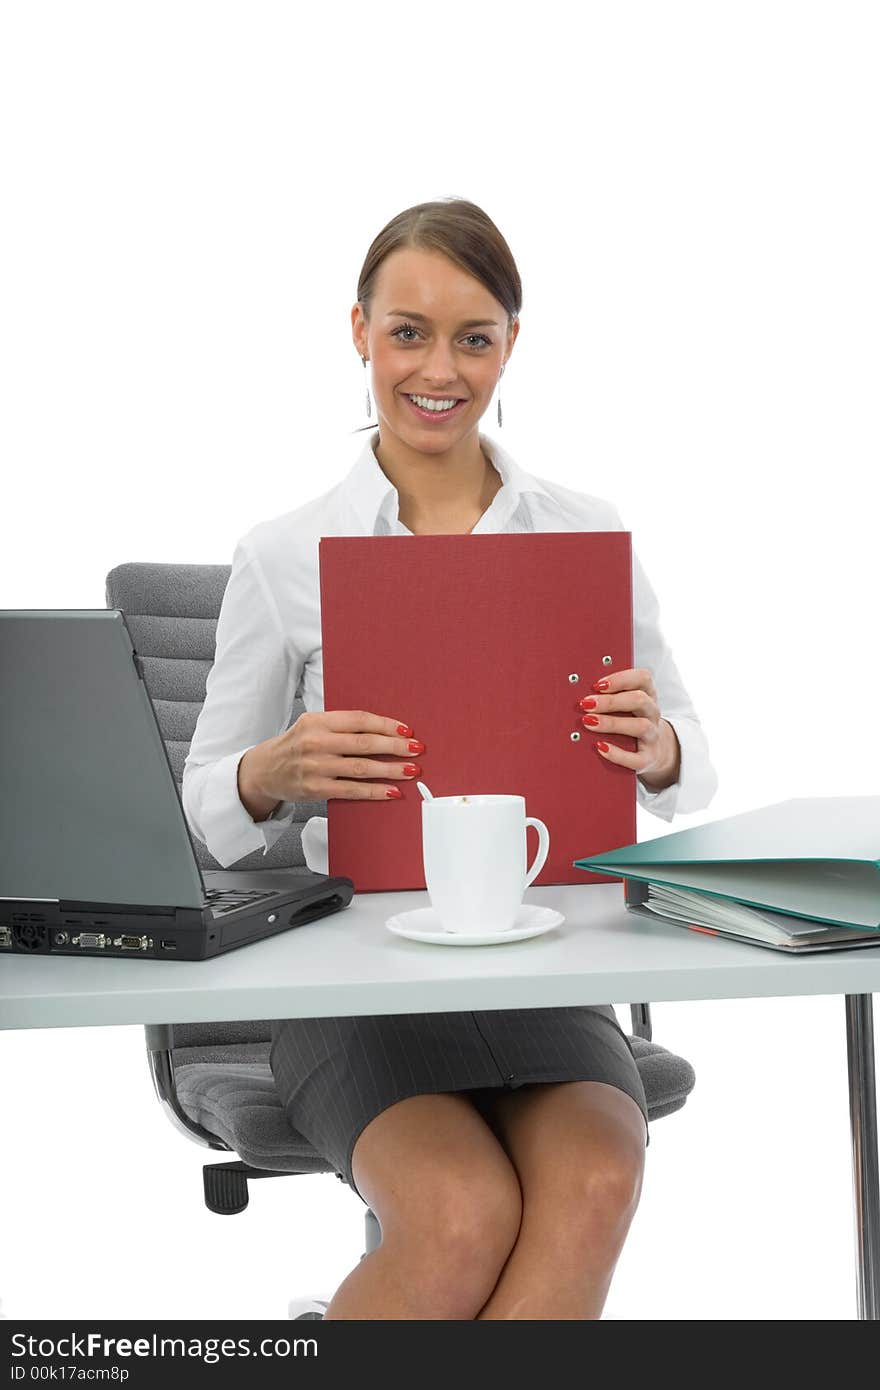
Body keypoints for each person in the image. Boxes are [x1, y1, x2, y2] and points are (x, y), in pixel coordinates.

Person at [182, 197, 718, 1319]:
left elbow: (688, 766)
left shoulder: (579, 531)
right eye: (408, 331)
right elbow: (199, 809)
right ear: (359, 334)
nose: (439, 367)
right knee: (461, 1211)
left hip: (543, 964)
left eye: (473, 336)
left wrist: (654, 745)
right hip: (358, 986)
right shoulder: (285, 553)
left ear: (509, 345)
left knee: (597, 1175)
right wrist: (269, 772)